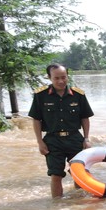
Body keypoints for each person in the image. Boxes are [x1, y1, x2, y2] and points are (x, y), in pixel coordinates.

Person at [28, 64, 94, 198]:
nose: (61, 81)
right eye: (56, 78)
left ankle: (79, 202)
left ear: (67, 76)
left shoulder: (78, 94)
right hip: (52, 140)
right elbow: (36, 120)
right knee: (55, 174)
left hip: (74, 139)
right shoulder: (41, 95)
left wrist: (86, 138)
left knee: (78, 172)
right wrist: (40, 142)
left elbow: (84, 118)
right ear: (49, 78)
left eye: (63, 77)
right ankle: (57, 206)